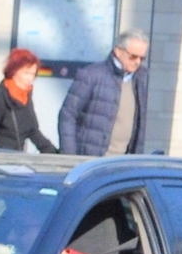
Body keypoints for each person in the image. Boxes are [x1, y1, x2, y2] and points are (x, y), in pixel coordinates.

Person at [57, 28, 149, 157]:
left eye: (142, 58)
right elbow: (68, 114)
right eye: (133, 56)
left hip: (123, 162)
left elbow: (138, 127)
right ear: (118, 51)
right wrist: (69, 156)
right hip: (91, 161)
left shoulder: (140, 80)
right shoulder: (92, 75)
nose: (137, 62)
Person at [0, 49, 56, 153]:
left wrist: (54, 153)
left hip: (17, 159)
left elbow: (33, 131)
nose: (30, 78)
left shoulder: (25, 97)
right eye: (26, 73)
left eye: (33, 74)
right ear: (13, 72)